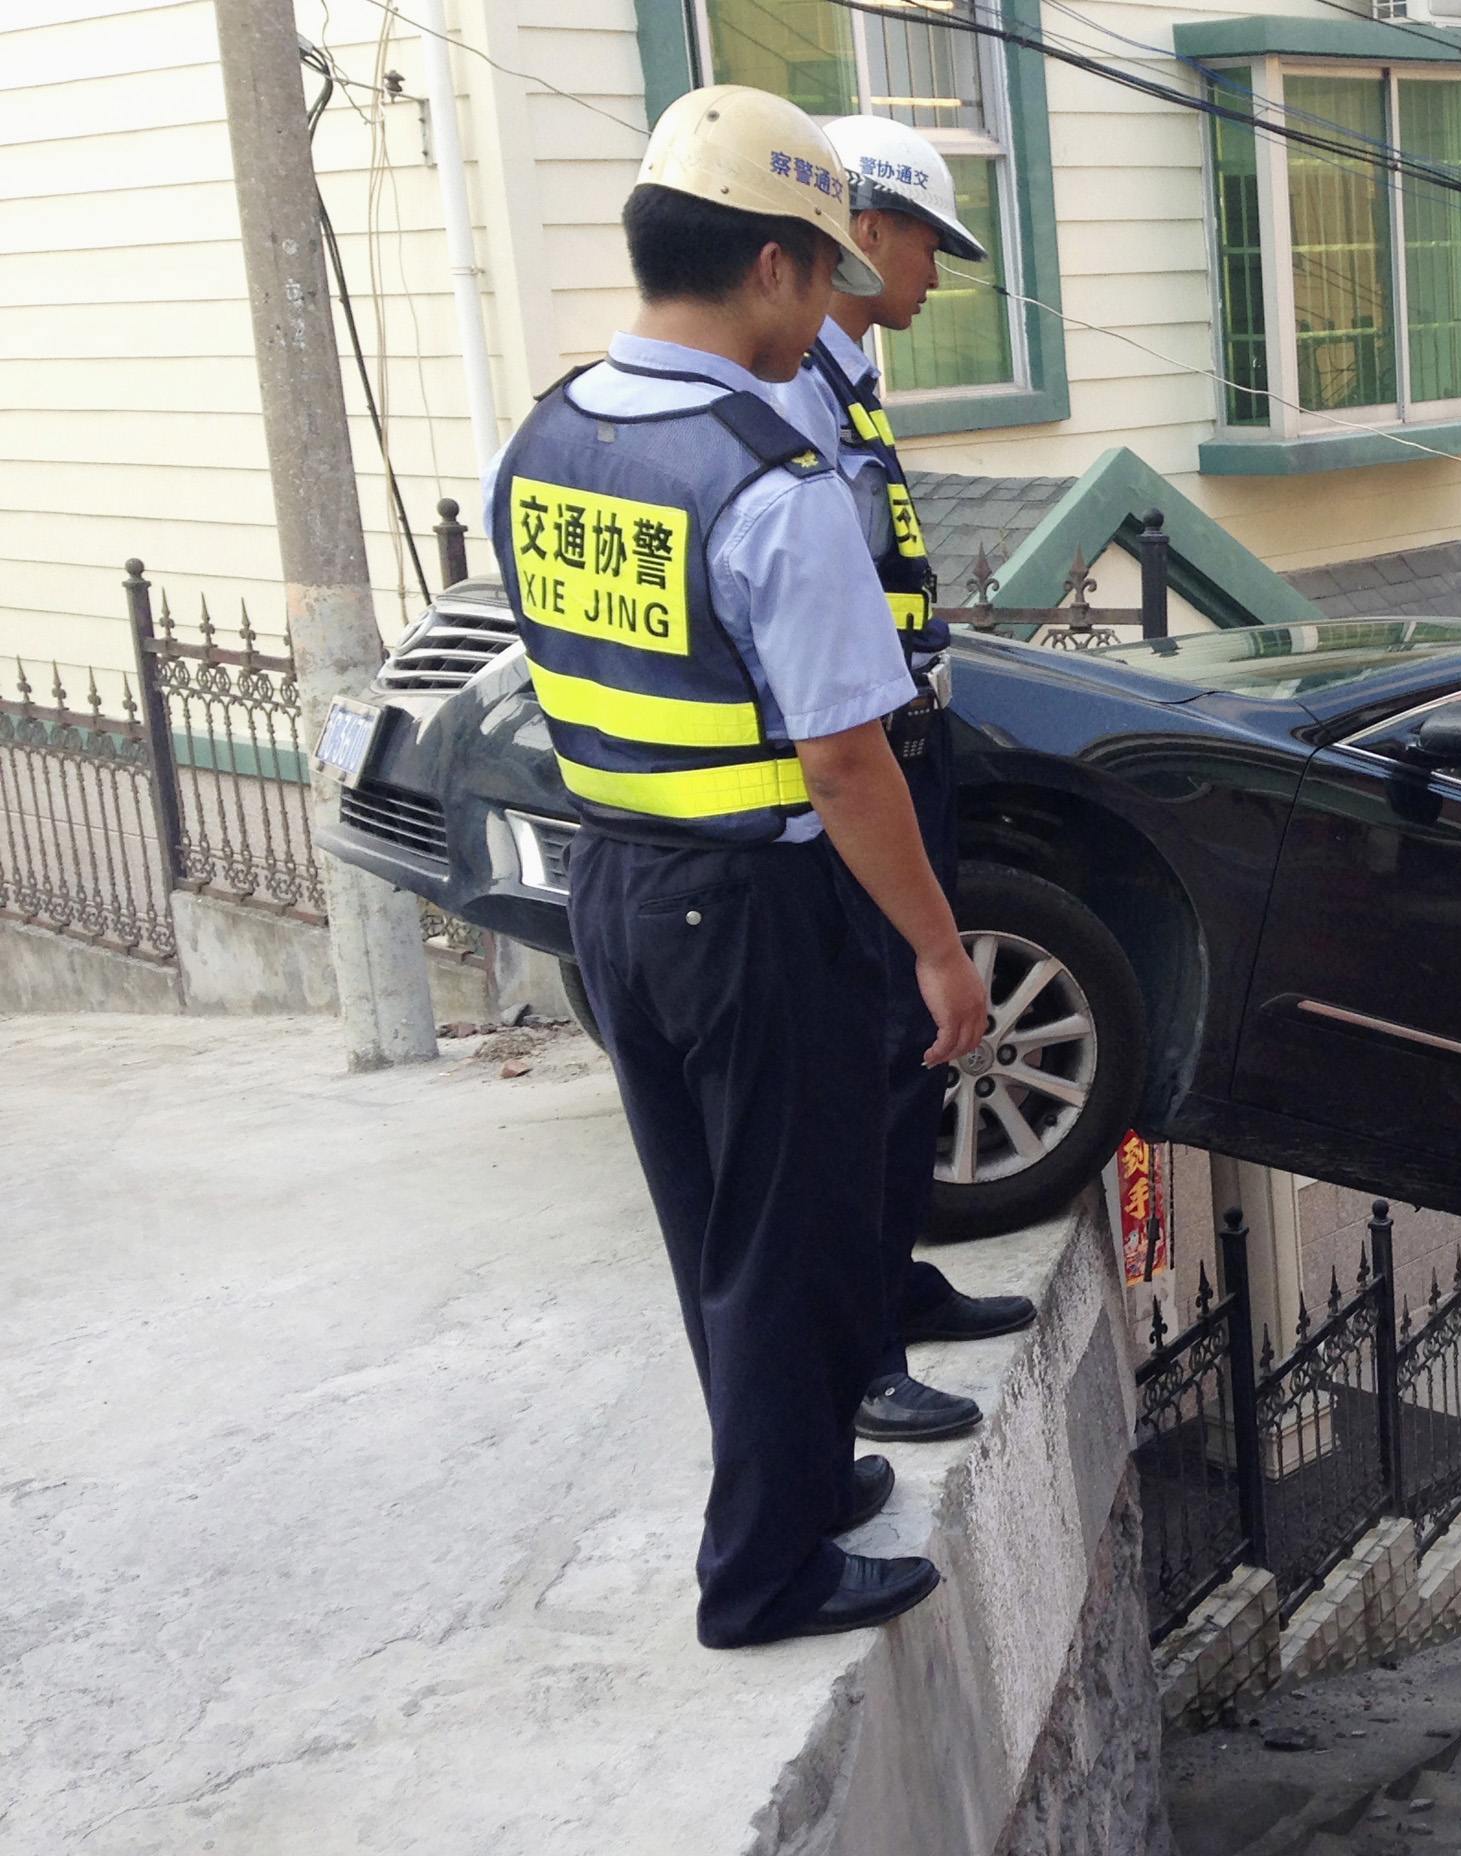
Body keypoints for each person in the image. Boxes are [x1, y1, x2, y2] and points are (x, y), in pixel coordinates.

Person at [487, 85, 988, 1648]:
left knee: (716, 1226)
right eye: (825, 265)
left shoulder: (552, 433)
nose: (834, 298)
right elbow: (846, 757)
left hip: (616, 893)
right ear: (772, 266)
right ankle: (763, 1572)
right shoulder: (768, 485)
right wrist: (938, 947)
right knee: (790, 1235)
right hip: (754, 908)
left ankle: (791, 1480)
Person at [784, 113, 1035, 1449]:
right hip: (854, 768)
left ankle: (897, 1279)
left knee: (912, 1058)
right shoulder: (794, 392)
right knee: (877, 1053)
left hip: (908, 740)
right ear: (864, 233)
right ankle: (864, 1345)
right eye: (930, 243)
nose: (940, 273)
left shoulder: (846, 374)